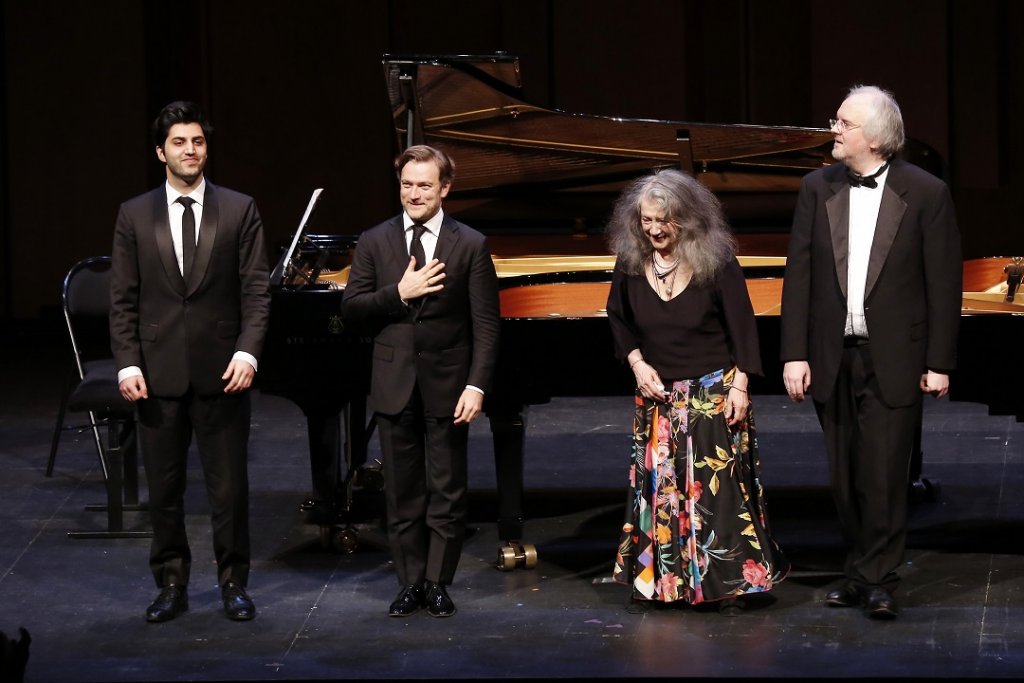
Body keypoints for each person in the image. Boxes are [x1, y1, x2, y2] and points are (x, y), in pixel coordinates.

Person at [780, 85, 962, 620]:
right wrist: (795, 353)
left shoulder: (926, 193)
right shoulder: (817, 187)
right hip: (831, 355)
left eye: (844, 122)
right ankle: (858, 570)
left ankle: (879, 577)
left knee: (883, 474)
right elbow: (800, 276)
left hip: (895, 357)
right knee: (844, 476)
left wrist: (939, 362)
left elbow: (944, 282)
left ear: (876, 136)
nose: (833, 129)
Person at [110, 101, 271, 623]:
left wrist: (248, 350)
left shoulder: (240, 208)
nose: (190, 151)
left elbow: (256, 291)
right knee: (165, 489)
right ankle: (171, 582)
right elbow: (123, 299)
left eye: (197, 142)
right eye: (179, 142)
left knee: (229, 489)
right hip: (156, 375)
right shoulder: (134, 214)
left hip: (223, 371)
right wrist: (128, 363)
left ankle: (233, 583)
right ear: (161, 151)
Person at [605, 168, 789, 615]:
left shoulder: (717, 259)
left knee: (714, 495)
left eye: (662, 222)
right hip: (659, 397)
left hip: (712, 392)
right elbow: (618, 317)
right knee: (663, 493)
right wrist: (637, 364)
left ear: (685, 219)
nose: (653, 230)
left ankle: (727, 584)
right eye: (646, 220)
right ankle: (668, 585)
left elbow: (743, 327)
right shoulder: (632, 261)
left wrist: (741, 384)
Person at [341, 144, 500, 618]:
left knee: (447, 490)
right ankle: (409, 581)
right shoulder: (374, 240)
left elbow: (486, 327)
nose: (414, 193)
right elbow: (351, 311)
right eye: (407, 184)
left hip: (449, 386)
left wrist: (476, 385)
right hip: (393, 384)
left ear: (444, 188)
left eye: (424, 185)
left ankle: (437, 581)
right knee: (402, 491)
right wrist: (398, 293)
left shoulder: (469, 243)